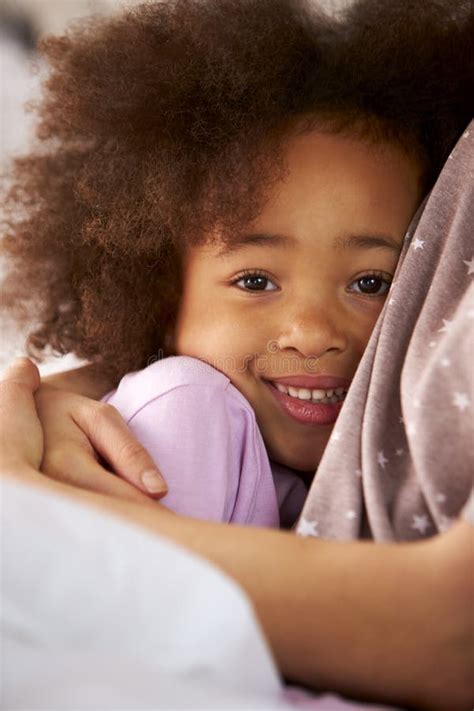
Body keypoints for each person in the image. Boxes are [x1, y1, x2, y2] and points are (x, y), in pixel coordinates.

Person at [1, 0, 473, 709]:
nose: (311, 331)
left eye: (373, 283)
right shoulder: (189, 411)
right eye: (255, 280)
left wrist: (35, 509)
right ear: (154, 290)